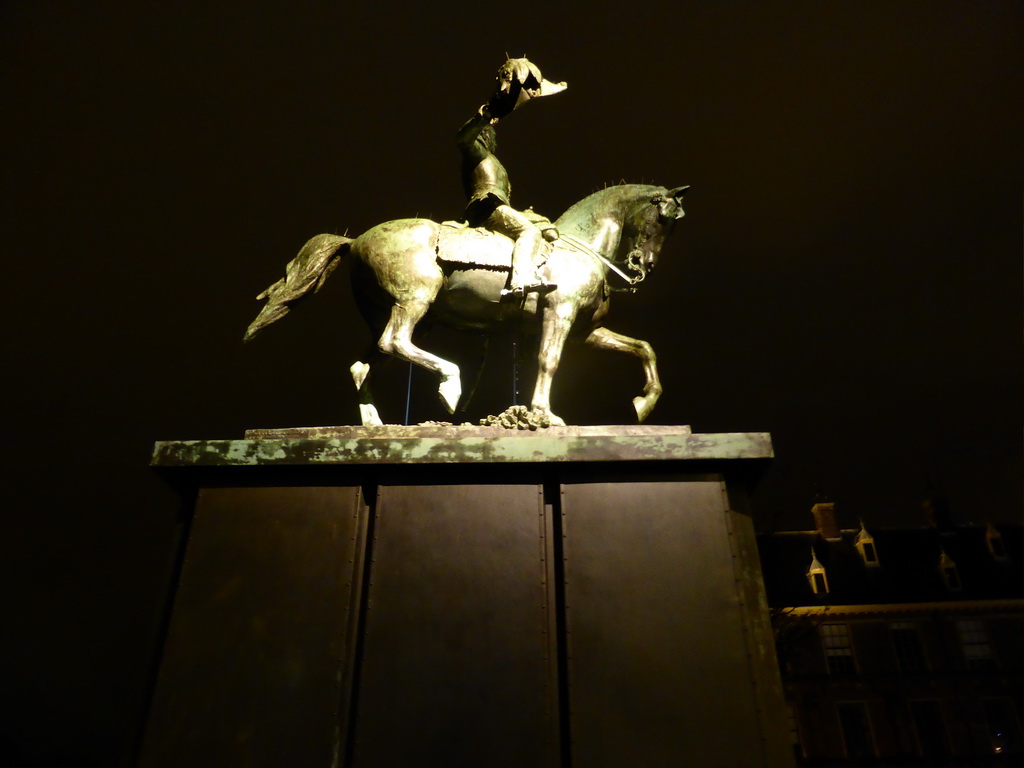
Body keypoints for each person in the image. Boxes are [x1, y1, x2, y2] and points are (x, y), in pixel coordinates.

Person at [457, 58, 566, 296]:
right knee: (529, 232)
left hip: (498, 206)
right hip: (485, 207)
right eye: (488, 131)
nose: (492, 134)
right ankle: (520, 281)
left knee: (545, 226)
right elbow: (463, 137)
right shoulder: (475, 150)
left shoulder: (494, 161)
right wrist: (485, 115)